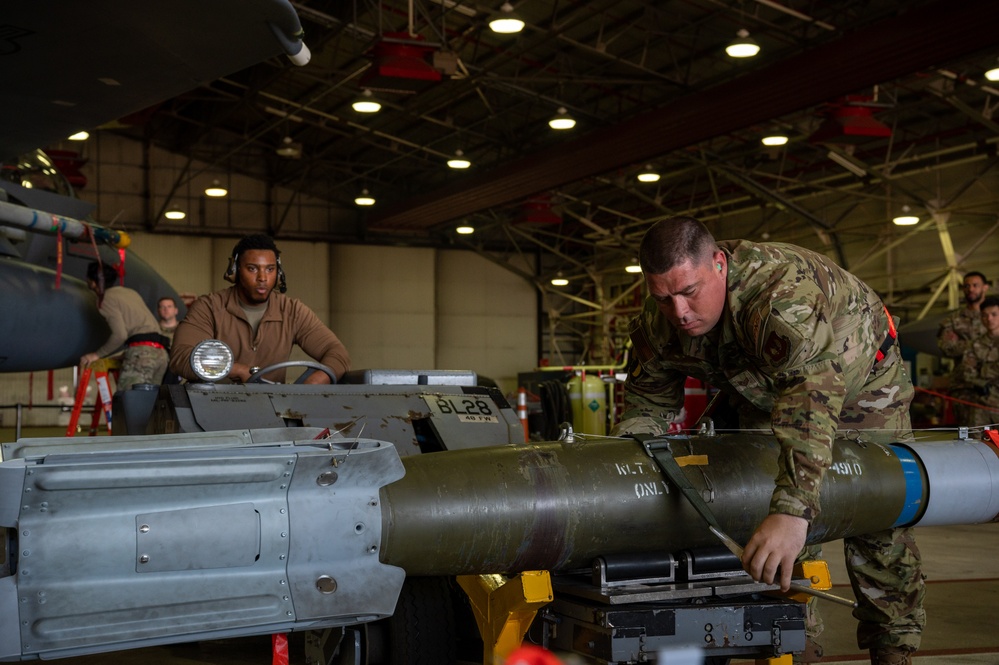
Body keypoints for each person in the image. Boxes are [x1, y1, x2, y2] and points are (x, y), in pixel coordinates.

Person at [613, 217, 923, 665]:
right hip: (763, 387)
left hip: (863, 385)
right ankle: (792, 645)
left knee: (878, 517)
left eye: (689, 291)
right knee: (762, 520)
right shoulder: (659, 321)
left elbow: (810, 400)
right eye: (663, 297)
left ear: (719, 264)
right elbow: (646, 404)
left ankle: (894, 651)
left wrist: (793, 513)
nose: (678, 311)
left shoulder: (778, 299)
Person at [169, 233, 350, 384]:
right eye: (252, 269)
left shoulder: (292, 311)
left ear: (278, 274)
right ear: (235, 270)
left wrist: (315, 381)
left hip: (273, 411)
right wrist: (236, 369)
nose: (263, 277)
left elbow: (337, 353)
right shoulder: (209, 307)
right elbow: (181, 357)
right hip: (213, 407)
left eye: (270, 269)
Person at [80, 261, 169, 392]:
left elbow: (120, 335)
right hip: (161, 354)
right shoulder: (130, 292)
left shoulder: (106, 299)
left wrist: (97, 355)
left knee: (129, 402)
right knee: (150, 404)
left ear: (93, 282)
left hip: (142, 355)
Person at [937, 271, 990, 424]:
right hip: (965, 387)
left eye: (975, 285)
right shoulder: (953, 320)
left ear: (985, 287)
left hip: (994, 386)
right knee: (970, 438)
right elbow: (946, 347)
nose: (971, 289)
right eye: (967, 286)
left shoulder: (994, 315)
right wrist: (978, 344)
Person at [955, 295, 999, 427]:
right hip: (982, 404)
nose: (989, 319)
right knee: (976, 443)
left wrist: (985, 370)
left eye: (994, 314)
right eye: (985, 315)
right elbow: (968, 374)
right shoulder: (975, 345)